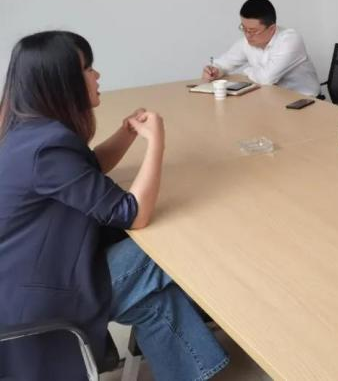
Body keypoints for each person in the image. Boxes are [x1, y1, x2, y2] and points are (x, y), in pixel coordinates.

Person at [0, 31, 228, 381]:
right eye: (87, 68)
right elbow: (132, 214)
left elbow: (86, 171)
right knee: (174, 243)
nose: (97, 75)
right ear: (61, 81)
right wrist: (156, 143)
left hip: (33, 272)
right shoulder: (47, 148)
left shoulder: (29, 131)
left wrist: (127, 133)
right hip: (49, 289)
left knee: (154, 301)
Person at [202, 0, 320, 96]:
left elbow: (266, 78)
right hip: (273, 99)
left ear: (272, 28)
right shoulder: (248, 41)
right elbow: (224, 63)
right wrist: (215, 70)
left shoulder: (290, 39)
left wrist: (247, 71)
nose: (247, 35)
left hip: (305, 101)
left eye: (253, 30)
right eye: (244, 28)